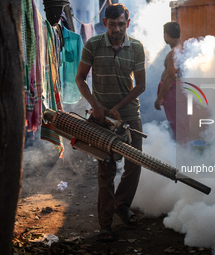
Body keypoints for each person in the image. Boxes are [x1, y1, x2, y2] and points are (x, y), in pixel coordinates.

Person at [75, 3, 146, 242]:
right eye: (113, 24)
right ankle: (105, 225)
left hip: (130, 115)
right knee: (106, 170)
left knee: (134, 164)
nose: (117, 29)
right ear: (105, 23)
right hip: (101, 119)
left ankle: (122, 205)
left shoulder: (136, 47)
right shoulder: (93, 45)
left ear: (128, 22)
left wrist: (119, 107)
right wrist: (96, 105)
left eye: (122, 24)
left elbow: (141, 85)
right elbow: (80, 79)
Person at [154, 22, 189, 145]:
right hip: (179, 94)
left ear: (166, 35)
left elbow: (170, 76)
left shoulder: (175, 52)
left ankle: (183, 157)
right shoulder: (182, 48)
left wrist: (160, 98)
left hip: (175, 95)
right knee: (180, 127)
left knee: (179, 127)